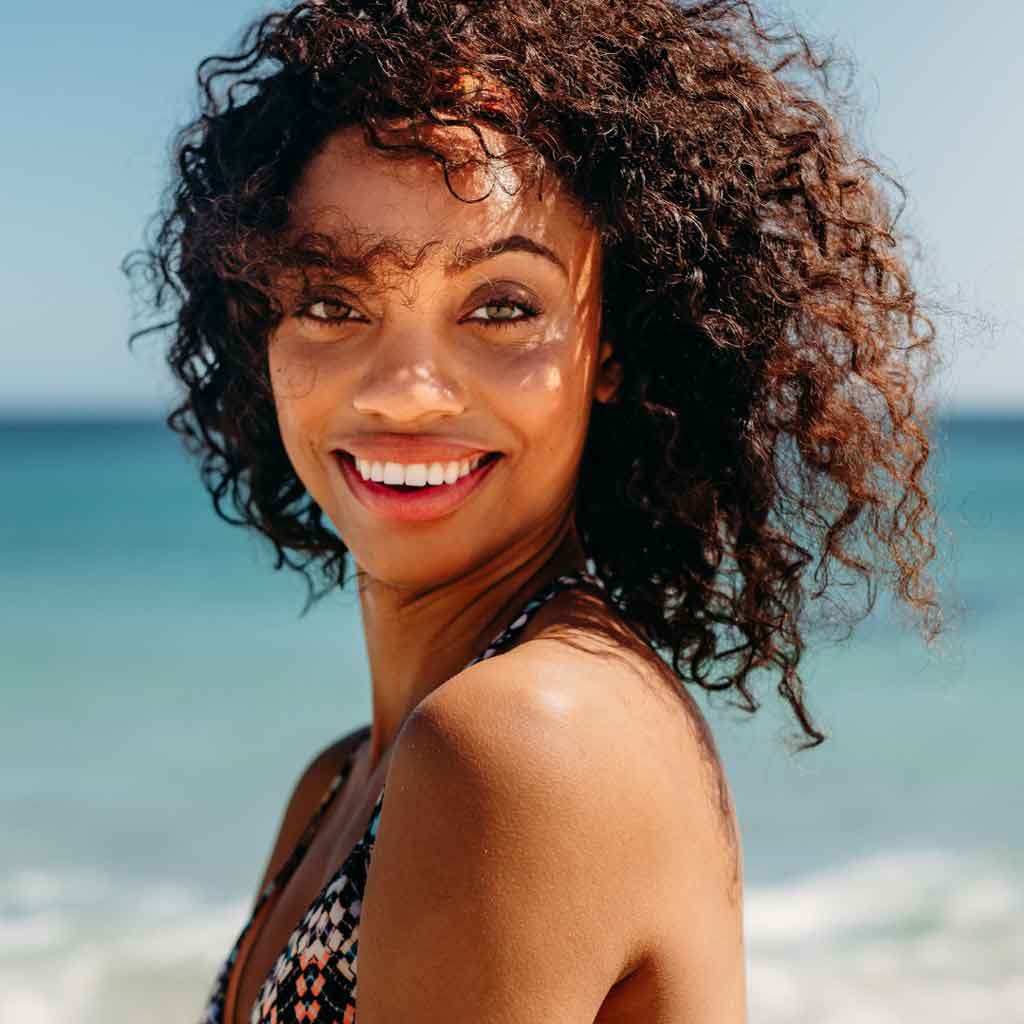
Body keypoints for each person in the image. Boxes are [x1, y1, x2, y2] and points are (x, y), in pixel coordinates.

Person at [128, 1, 941, 1020]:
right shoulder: (341, 782)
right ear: (264, 333)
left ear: (608, 345)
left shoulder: (515, 743)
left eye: (501, 308)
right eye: (335, 302)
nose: (404, 390)